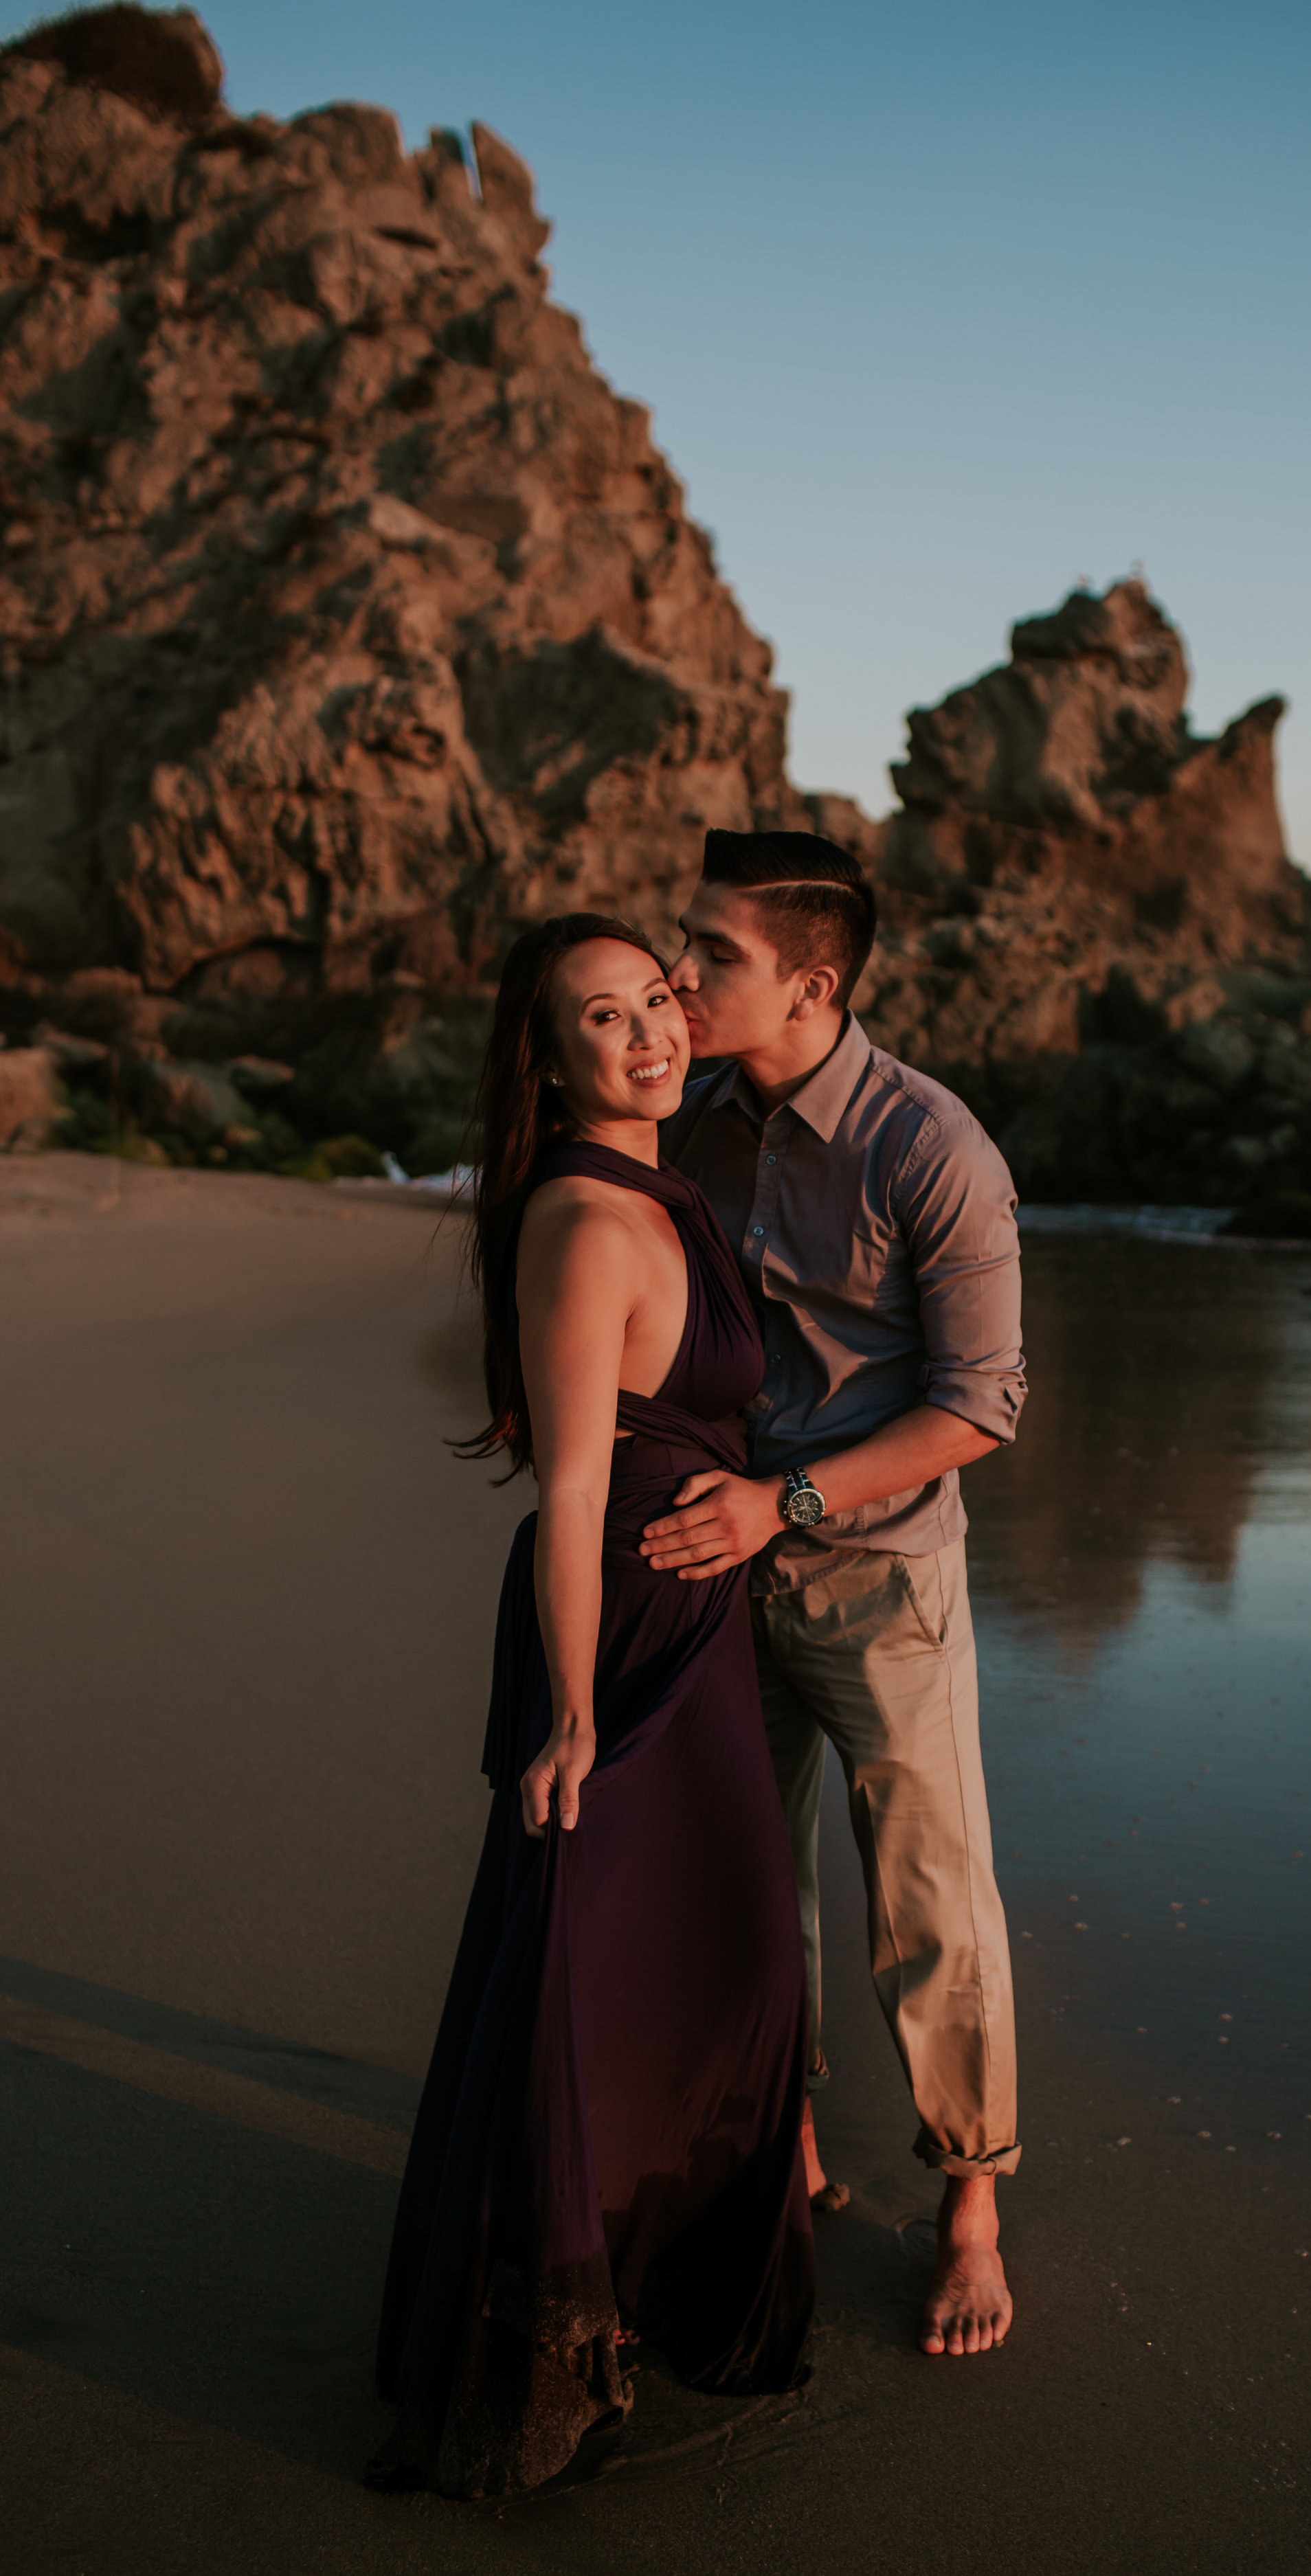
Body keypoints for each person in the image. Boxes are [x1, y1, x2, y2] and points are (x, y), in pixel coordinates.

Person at [368, 914, 814, 2499]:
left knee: (724, 1961)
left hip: (690, 1635)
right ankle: (548, 2343)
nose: (646, 1037)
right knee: (587, 1982)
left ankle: (642, 2287)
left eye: (656, 1004)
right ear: (546, 1060)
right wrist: (568, 1712)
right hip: (619, 1645)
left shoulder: (662, 1182)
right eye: (601, 1020)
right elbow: (566, 1490)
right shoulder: (584, 1217)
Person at [644, 829, 1025, 2360]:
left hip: (880, 1584)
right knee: (750, 1890)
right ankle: (785, 2150)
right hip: (716, 1572)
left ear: (809, 986)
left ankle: (973, 2212)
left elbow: (983, 1406)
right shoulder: (698, 1124)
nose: (679, 973)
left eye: (709, 953)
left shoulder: (932, 1149)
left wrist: (781, 1501)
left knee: (929, 1904)